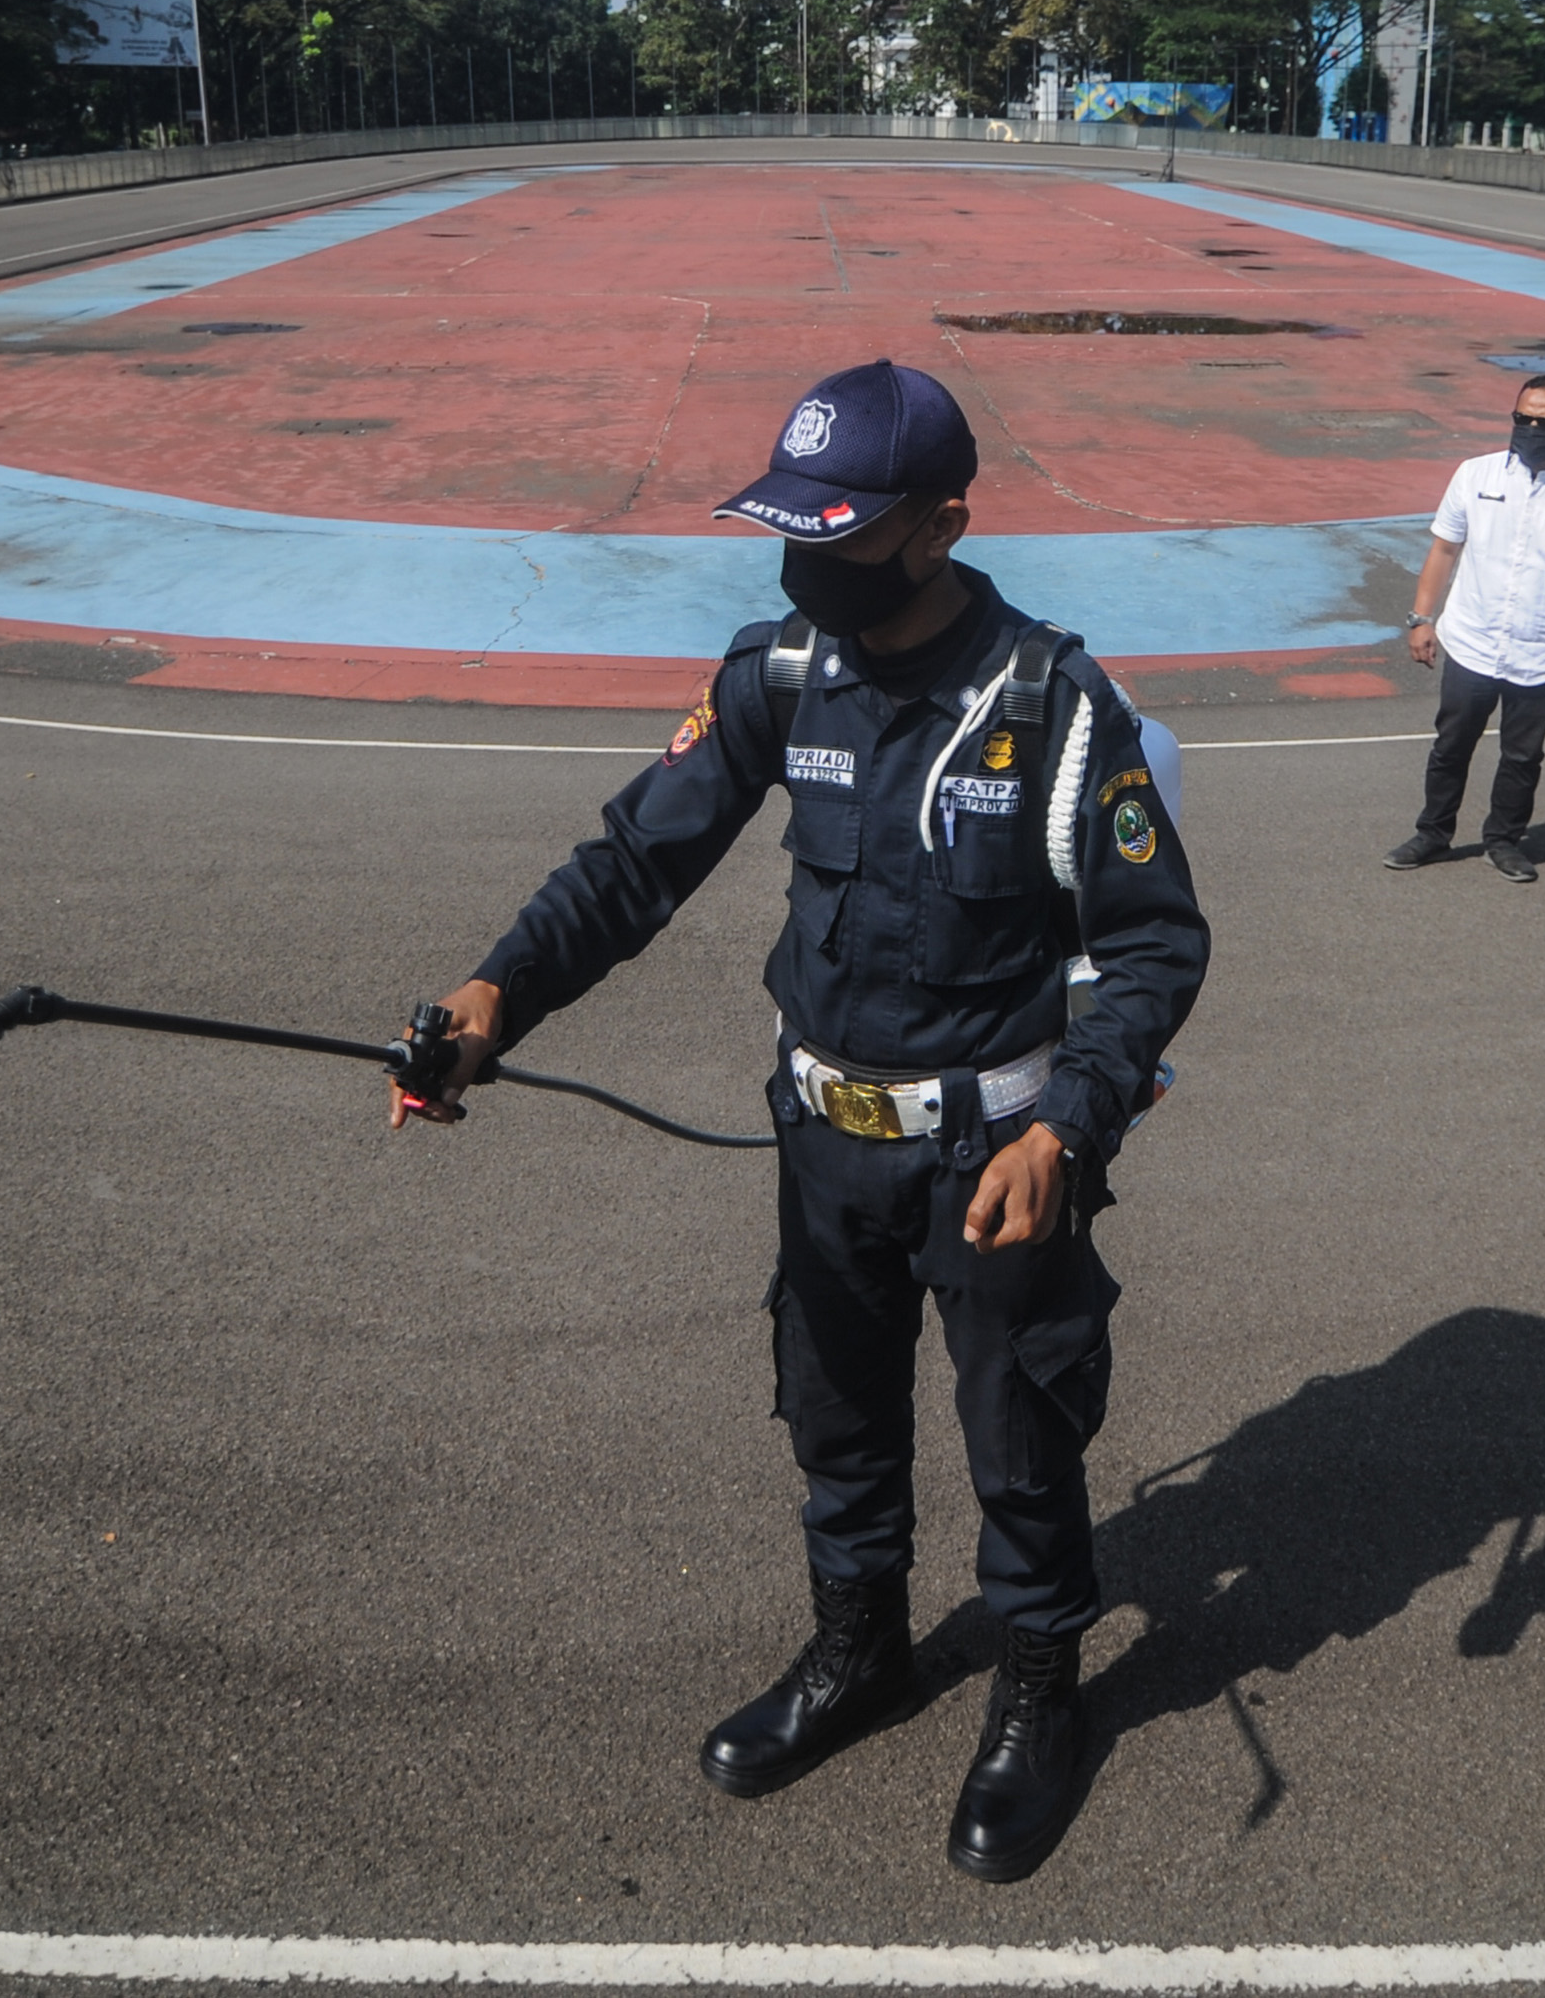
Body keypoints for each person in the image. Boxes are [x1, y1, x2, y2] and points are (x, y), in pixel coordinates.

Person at [395, 359, 1209, 1886]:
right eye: (792, 524)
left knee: (1018, 1434)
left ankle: (1041, 1691)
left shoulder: (1049, 701)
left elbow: (1157, 944)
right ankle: (863, 1651)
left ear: (945, 522)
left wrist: (1070, 1131)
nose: (804, 558)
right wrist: (497, 992)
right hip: (823, 1139)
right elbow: (638, 861)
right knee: (836, 1417)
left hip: (995, 1157)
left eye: (842, 530)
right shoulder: (781, 674)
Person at [1386, 373, 1545, 883]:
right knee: (1451, 744)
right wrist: (1422, 619)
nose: (1532, 429)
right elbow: (1444, 550)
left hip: (1541, 649)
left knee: (1522, 754)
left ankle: (1504, 839)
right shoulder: (1475, 475)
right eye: (1522, 419)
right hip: (1472, 640)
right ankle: (1433, 832)